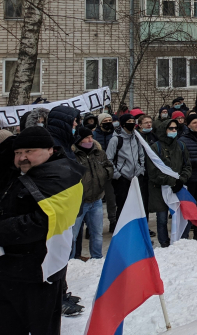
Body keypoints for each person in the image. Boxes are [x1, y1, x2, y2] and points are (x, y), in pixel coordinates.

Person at [0, 127, 85, 333]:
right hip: (9, 271)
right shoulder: (21, 173)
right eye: (18, 153)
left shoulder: (62, 175)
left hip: (40, 273)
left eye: (29, 151)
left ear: (50, 150)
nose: (22, 158)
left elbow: (39, 224)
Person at [146, 119, 192, 248]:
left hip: (178, 188)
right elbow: (153, 171)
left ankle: (182, 239)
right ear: (163, 130)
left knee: (182, 215)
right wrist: (171, 181)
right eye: (170, 128)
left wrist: (181, 180)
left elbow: (187, 165)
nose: (173, 131)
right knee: (162, 218)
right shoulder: (155, 147)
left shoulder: (181, 146)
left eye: (175, 128)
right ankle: (164, 243)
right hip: (160, 189)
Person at [70, 127, 113, 260]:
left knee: (97, 234)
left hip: (96, 199)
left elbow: (109, 166)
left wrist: (104, 174)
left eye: (91, 136)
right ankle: (69, 262)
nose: (91, 140)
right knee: (72, 236)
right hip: (78, 202)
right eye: (87, 137)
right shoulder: (72, 155)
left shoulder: (99, 152)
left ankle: (97, 258)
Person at [105, 113, 145, 226]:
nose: (132, 124)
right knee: (122, 205)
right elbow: (109, 159)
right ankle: (120, 228)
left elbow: (141, 155)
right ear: (123, 124)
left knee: (137, 205)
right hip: (122, 178)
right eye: (129, 122)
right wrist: (117, 175)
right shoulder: (115, 140)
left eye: (133, 122)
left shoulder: (137, 138)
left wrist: (141, 169)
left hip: (136, 177)